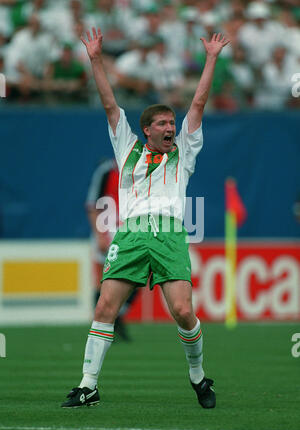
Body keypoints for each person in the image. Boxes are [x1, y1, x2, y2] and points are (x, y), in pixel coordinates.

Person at [61, 27, 229, 409]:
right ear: (147, 130)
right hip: (132, 234)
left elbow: (199, 102)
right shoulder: (127, 147)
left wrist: (212, 59)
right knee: (105, 307)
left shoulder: (183, 153)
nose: (172, 128)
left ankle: (198, 377)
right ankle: (88, 385)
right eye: (164, 125)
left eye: (173, 124)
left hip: (169, 234)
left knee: (184, 312)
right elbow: (108, 103)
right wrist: (95, 59)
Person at [85, 157, 137, 341]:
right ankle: (100, 327)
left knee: (137, 277)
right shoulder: (106, 171)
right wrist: (100, 235)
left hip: (128, 232)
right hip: (106, 231)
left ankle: (116, 317)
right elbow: (92, 205)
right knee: (102, 280)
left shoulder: (139, 170)